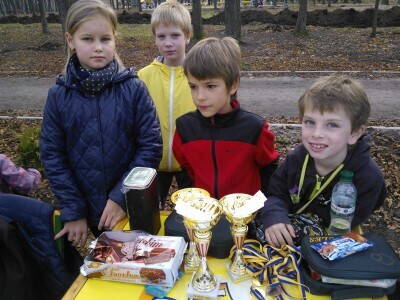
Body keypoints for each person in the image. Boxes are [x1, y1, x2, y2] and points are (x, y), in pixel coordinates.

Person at [40, 0, 162, 249]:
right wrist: (73, 210)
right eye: (88, 39)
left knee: (134, 264)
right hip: (84, 212)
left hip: (130, 208)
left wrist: (121, 198)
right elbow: (53, 155)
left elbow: (150, 147)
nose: (98, 48)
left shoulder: (133, 88)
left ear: (114, 39)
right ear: (70, 40)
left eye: (105, 39)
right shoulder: (59, 95)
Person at [165, 37, 279, 258]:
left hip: (246, 227)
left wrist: (258, 212)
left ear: (233, 84)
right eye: (193, 86)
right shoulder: (185, 127)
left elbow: (270, 170)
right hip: (202, 224)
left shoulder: (254, 128)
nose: (200, 96)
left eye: (210, 86)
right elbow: (186, 172)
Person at [260, 74, 387, 248]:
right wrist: (274, 218)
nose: (317, 133)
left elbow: (346, 224)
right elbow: (276, 194)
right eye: (310, 122)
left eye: (332, 125)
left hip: (332, 244)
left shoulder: (368, 179)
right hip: (289, 236)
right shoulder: (296, 160)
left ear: (354, 133)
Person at [138, 0, 195, 208]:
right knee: (149, 214)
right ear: (155, 39)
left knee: (191, 216)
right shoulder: (143, 77)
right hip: (153, 162)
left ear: (187, 36)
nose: (168, 43)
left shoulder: (198, 75)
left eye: (175, 35)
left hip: (190, 163)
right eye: (161, 36)